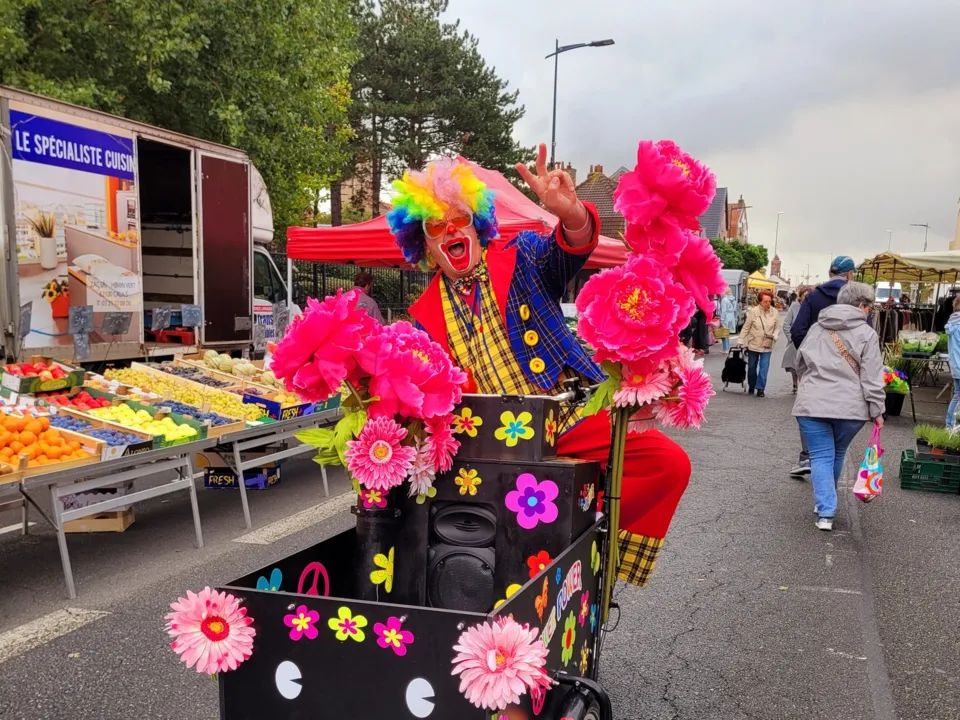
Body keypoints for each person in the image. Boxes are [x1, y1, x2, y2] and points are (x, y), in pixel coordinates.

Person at [387, 145, 691, 586]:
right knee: (491, 543)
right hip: (491, 450)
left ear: (478, 225)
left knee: (668, 464)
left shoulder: (523, 256)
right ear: (426, 245)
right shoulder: (422, 316)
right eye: (438, 226)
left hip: (565, 419)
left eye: (461, 219)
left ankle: (591, 540)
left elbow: (568, 251)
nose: (452, 229)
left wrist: (571, 215)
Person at [793, 282, 885, 531]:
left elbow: (799, 362)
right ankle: (825, 504)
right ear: (862, 306)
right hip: (851, 408)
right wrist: (877, 409)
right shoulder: (867, 334)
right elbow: (872, 376)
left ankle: (825, 510)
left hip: (812, 403)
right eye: (870, 307)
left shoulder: (817, 328)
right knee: (837, 452)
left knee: (821, 455)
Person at [788, 256, 856, 477]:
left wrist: (809, 353)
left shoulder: (813, 296)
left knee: (809, 406)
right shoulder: (855, 299)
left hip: (814, 364)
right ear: (850, 274)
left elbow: (797, 330)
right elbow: (866, 334)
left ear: (829, 273)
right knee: (842, 407)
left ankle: (809, 455)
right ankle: (832, 455)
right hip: (848, 365)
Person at [738, 289, 782, 397]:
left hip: (767, 344)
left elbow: (778, 327)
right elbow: (746, 327)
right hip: (754, 344)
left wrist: (775, 335)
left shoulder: (775, 312)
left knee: (764, 368)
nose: (768, 303)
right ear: (760, 301)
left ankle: (761, 389)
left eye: (769, 301)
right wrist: (741, 340)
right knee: (752, 367)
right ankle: (752, 385)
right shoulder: (753, 312)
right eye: (765, 301)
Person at [781, 286, 811, 393]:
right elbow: (786, 324)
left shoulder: (813, 307)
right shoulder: (794, 306)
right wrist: (791, 338)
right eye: (804, 296)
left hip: (808, 341)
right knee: (794, 365)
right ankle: (795, 384)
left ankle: (803, 385)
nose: (806, 298)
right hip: (795, 341)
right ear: (801, 296)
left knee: (806, 365)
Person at [943, 294, 960, 427]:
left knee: (957, 395)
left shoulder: (952, 322)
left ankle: (950, 425)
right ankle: (954, 426)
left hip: (956, 364)